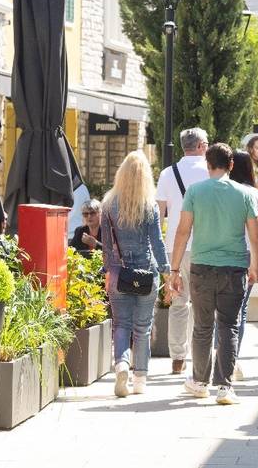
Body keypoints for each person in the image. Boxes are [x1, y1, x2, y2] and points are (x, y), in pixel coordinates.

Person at [169, 143, 258, 405]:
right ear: (231, 165)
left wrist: (174, 269)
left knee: (202, 326)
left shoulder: (195, 191)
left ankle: (200, 382)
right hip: (234, 267)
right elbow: (255, 236)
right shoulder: (245, 194)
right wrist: (255, 265)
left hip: (201, 266)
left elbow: (183, 231)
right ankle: (225, 386)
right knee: (229, 326)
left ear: (207, 165)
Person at [100, 151, 168, 398]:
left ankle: (121, 365)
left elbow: (107, 246)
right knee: (142, 328)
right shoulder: (149, 206)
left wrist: (109, 270)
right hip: (146, 273)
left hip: (119, 274)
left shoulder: (108, 204)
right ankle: (139, 380)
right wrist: (167, 270)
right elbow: (157, 243)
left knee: (121, 324)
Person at [156, 128, 210, 375]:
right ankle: (201, 355)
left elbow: (159, 214)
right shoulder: (210, 170)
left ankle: (178, 358)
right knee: (204, 305)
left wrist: (158, 247)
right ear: (200, 146)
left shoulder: (168, 173)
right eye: (206, 144)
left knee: (178, 302)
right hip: (205, 245)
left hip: (174, 247)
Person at [229, 150, 258, 381]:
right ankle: (232, 358)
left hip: (223, 252)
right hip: (247, 254)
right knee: (240, 309)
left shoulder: (223, 191)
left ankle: (221, 354)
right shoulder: (255, 194)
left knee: (222, 309)